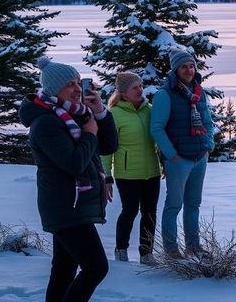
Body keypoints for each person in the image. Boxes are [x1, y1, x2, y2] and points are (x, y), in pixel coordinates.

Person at [19, 57, 117, 302]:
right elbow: (74, 162)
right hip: (65, 205)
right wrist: (90, 134)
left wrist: (100, 113)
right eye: (70, 85)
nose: (76, 89)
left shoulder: (75, 115)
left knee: (64, 269)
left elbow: (109, 146)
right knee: (96, 268)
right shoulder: (46, 123)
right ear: (54, 90)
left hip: (74, 204)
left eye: (77, 82)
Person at [150, 48, 214, 258]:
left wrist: (208, 146)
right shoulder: (164, 95)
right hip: (178, 160)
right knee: (174, 205)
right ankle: (171, 248)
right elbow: (157, 128)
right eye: (184, 66)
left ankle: (193, 245)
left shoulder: (198, 92)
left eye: (191, 65)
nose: (189, 70)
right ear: (175, 69)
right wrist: (172, 155)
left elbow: (207, 121)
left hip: (199, 157)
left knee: (193, 204)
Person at [101, 72, 161, 265]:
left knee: (150, 212)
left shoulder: (150, 110)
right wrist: (107, 177)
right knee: (130, 211)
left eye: (141, 85)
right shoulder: (114, 114)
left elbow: (160, 139)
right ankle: (121, 250)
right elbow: (106, 149)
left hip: (152, 171)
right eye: (135, 87)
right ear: (124, 92)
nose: (140, 90)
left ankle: (146, 253)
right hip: (127, 174)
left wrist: (165, 162)